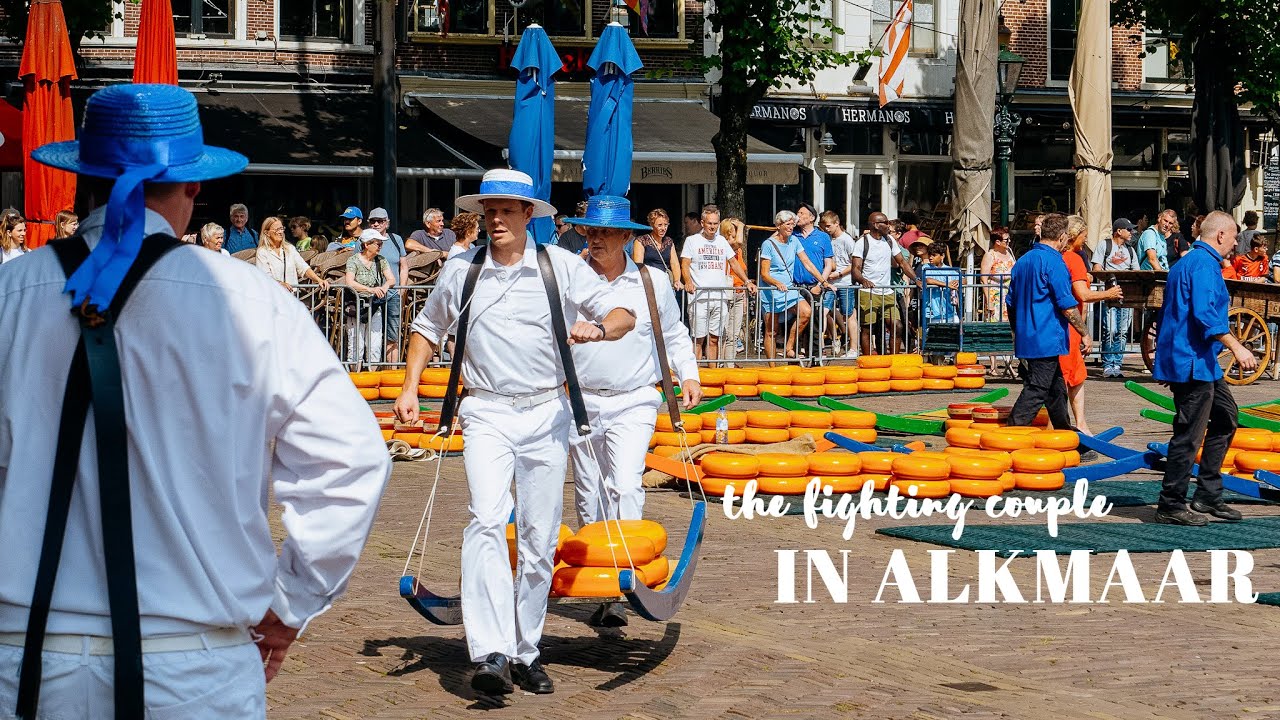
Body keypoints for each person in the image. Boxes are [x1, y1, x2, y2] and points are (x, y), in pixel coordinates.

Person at [2, 83, 390, 719]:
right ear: (190, 187)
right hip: (193, 665)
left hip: (21, 661)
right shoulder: (254, 304)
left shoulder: (9, 293)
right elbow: (350, 463)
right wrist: (290, 602)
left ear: (85, 178)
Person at [394, 168, 635, 697]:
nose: (497, 219)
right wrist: (411, 386)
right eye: (490, 211)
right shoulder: (462, 271)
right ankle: (490, 651)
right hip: (484, 412)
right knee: (484, 519)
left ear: (530, 215)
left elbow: (623, 314)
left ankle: (527, 649)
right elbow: (427, 329)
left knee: (538, 537)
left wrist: (597, 328)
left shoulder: (560, 267)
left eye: (507, 210)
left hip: (547, 413)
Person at [567, 194, 700, 628]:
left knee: (624, 482)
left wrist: (689, 374)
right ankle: (602, 584)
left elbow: (676, 332)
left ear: (627, 236)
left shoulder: (651, 281)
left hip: (634, 398)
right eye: (591, 230)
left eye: (607, 231)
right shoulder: (569, 277)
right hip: (580, 399)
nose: (597, 239)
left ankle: (626, 575)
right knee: (589, 493)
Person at [1153, 211, 1258, 526]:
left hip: (1200, 361)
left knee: (1226, 418)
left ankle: (1207, 494)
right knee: (1189, 434)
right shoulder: (1202, 265)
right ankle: (1170, 503)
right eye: (1235, 237)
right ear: (1222, 236)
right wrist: (1237, 346)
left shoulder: (1194, 262)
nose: (1237, 243)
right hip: (1191, 362)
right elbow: (1204, 314)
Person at [1005, 213, 1091, 429]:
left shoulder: (1022, 261)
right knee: (1037, 388)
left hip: (1028, 336)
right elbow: (1067, 306)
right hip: (1047, 337)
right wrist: (1084, 333)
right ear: (1062, 237)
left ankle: (1065, 435)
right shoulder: (1055, 262)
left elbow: (1011, 303)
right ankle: (1012, 433)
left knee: (1056, 389)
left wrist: (1018, 331)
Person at [1059, 215, 1122, 434]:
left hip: (1068, 327)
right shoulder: (1073, 258)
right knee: (1067, 377)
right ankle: (1059, 429)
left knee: (1076, 376)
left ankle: (1081, 424)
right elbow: (1083, 294)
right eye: (1084, 236)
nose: (1085, 241)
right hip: (1070, 327)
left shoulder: (1061, 256)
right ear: (1075, 236)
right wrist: (1109, 293)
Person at [680, 204, 755, 365]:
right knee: (698, 338)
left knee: (715, 337)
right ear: (702, 223)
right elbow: (685, 264)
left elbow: (734, 263)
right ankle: (695, 373)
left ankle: (714, 373)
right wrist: (688, 281)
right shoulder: (692, 241)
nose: (712, 227)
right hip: (699, 296)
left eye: (715, 223)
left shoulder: (721, 241)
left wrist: (747, 281)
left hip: (719, 297)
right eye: (709, 223)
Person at [759, 210, 826, 365]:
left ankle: (789, 346)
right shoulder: (768, 244)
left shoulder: (794, 241)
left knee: (806, 311)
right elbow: (764, 274)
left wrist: (823, 281)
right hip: (772, 290)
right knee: (772, 331)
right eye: (787, 224)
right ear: (779, 225)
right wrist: (776, 283)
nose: (791, 227)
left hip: (788, 288)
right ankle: (772, 367)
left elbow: (807, 263)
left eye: (792, 224)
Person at [850, 212, 917, 355]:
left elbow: (902, 262)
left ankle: (893, 360)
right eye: (885, 223)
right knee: (868, 328)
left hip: (887, 291)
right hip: (868, 292)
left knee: (896, 325)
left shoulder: (889, 240)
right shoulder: (862, 242)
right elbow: (855, 269)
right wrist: (863, 280)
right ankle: (868, 361)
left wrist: (917, 279)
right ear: (875, 225)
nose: (888, 225)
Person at [1092, 218, 1140, 377]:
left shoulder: (1130, 250)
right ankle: (1107, 363)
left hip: (1126, 296)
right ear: (1119, 231)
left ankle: (1117, 364)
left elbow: (1136, 271)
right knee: (1110, 329)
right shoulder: (1104, 245)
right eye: (1129, 229)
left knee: (1123, 331)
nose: (1131, 232)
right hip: (1109, 295)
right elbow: (1097, 267)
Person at [343, 227, 397, 364]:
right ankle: (356, 377)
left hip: (374, 305)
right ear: (367, 245)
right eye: (377, 243)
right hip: (357, 305)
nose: (380, 246)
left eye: (381, 243)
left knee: (375, 345)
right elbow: (349, 282)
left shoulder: (381, 260)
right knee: (356, 345)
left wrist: (384, 287)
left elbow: (392, 279)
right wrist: (370, 289)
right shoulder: (353, 260)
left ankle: (372, 376)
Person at [789, 203, 835, 355]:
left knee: (815, 323)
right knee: (796, 323)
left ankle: (814, 357)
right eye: (798, 212)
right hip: (795, 286)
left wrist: (820, 283)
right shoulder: (791, 234)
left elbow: (828, 263)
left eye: (802, 213)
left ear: (812, 218)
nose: (798, 216)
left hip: (814, 285)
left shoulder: (823, 237)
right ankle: (794, 356)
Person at [368, 207, 408, 364]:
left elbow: (403, 266)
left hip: (393, 293)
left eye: (380, 221)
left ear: (387, 223)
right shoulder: (363, 241)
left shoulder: (395, 239)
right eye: (373, 221)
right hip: (371, 293)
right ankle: (371, 371)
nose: (376, 224)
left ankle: (393, 373)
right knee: (372, 333)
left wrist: (402, 289)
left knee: (393, 334)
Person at [256, 216, 328, 292]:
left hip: (291, 297)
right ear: (267, 233)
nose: (280, 232)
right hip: (273, 296)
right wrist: (280, 284)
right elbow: (265, 276)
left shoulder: (290, 249)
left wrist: (319, 280)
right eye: (277, 229)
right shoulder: (262, 252)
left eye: (281, 228)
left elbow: (303, 267)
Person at [718, 216, 752, 366]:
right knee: (723, 332)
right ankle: (719, 363)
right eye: (731, 232)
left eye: (735, 232)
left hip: (739, 292)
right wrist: (742, 226)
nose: (734, 235)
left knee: (734, 333)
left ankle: (729, 365)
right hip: (727, 292)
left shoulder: (737, 252)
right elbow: (738, 242)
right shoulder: (724, 244)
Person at [823, 210, 857, 358]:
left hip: (844, 282)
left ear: (837, 223)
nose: (826, 229)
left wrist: (839, 274)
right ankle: (821, 347)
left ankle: (853, 348)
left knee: (848, 314)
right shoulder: (828, 239)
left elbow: (854, 263)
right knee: (823, 311)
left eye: (829, 226)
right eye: (824, 226)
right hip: (829, 282)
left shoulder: (847, 240)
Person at [632, 209, 681, 289]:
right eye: (660, 225)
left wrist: (677, 281)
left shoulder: (668, 241)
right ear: (651, 225)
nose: (663, 228)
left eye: (666, 225)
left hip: (665, 283)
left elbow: (675, 263)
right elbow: (638, 265)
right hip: (648, 283)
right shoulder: (641, 241)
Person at [919, 241, 961, 332]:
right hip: (933, 312)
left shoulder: (950, 270)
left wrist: (957, 281)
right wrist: (947, 284)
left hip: (950, 311)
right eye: (930, 254)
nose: (930, 257)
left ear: (942, 256)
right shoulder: (926, 267)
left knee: (954, 334)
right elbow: (928, 280)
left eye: (934, 255)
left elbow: (964, 279)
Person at [981, 227, 1016, 321]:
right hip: (995, 296)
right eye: (1006, 240)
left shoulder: (1009, 253)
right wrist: (989, 301)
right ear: (998, 242)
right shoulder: (990, 255)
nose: (1009, 241)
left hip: (1010, 294)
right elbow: (983, 279)